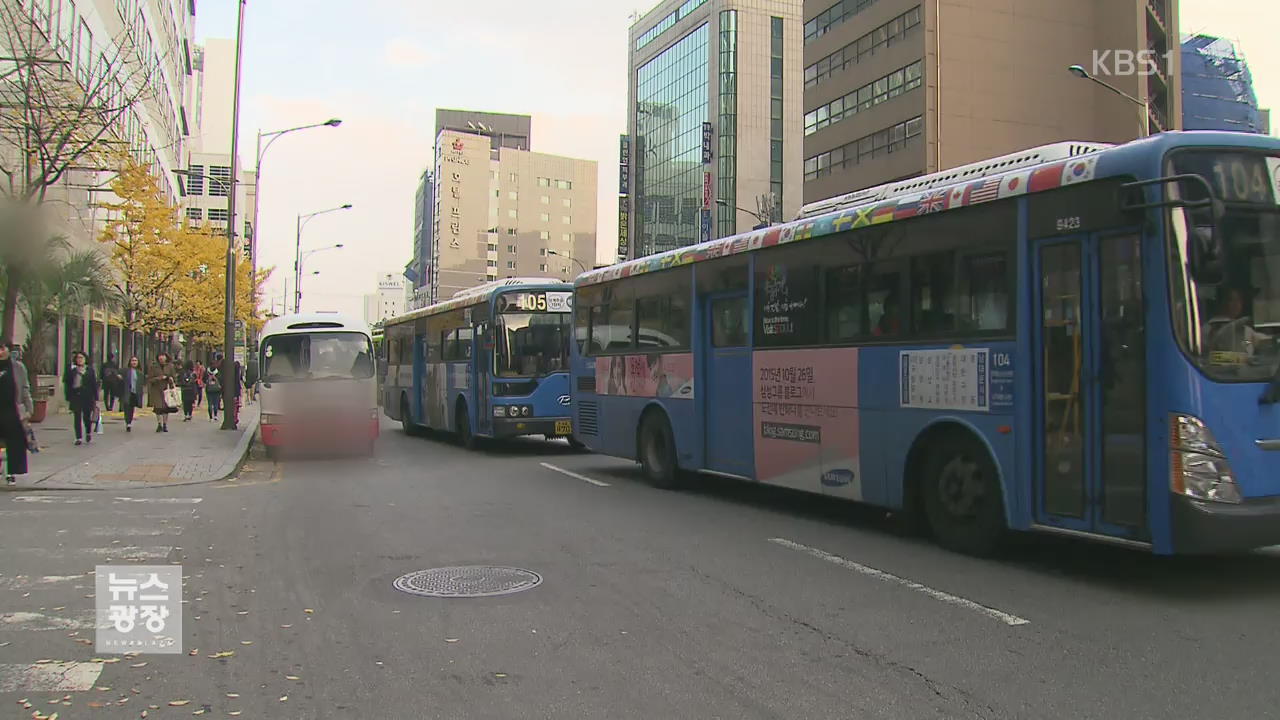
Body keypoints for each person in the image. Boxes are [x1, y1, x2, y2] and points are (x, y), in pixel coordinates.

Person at [0, 344, 34, 485]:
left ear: (8, 350)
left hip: (12, 410)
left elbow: (25, 389)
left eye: (2, 348)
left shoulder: (18, 367)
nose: (0, 352)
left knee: (13, 442)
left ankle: (11, 472)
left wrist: (29, 409)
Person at [1203, 287, 1265, 357]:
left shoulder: (1245, 329)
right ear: (1222, 302)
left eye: (1239, 300)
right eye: (1231, 300)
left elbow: (1249, 342)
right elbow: (1209, 355)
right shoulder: (1209, 328)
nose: (1236, 304)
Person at [63, 352, 99, 446]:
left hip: (87, 396)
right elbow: (66, 381)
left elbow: (94, 384)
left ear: (85, 359)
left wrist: (96, 397)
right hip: (76, 396)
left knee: (87, 417)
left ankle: (88, 432)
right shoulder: (72, 369)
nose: (79, 359)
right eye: (78, 358)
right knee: (77, 416)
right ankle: (78, 437)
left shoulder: (90, 370)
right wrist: (70, 370)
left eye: (81, 357)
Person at [147, 352, 178, 433]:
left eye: (163, 357)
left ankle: (165, 424)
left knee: (165, 409)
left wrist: (170, 379)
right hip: (157, 390)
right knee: (158, 409)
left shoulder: (170, 366)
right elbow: (150, 379)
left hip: (166, 389)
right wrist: (159, 378)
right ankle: (159, 424)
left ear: (166, 357)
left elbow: (174, 378)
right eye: (160, 357)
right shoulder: (153, 367)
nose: (161, 358)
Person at [121, 356, 144, 432]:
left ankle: (129, 421)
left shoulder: (140, 373)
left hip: (135, 393)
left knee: (131, 408)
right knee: (127, 407)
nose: (134, 362)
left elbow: (141, 384)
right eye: (132, 361)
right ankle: (128, 422)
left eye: (135, 361)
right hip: (127, 392)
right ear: (130, 362)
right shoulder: (126, 371)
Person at [204, 356, 223, 422]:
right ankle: (215, 416)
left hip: (208, 389)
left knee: (210, 403)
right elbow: (221, 380)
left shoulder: (207, 372)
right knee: (215, 403)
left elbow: (204, 380)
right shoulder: (218, 373)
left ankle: (210, 417)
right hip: (217, 390)